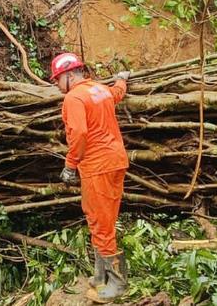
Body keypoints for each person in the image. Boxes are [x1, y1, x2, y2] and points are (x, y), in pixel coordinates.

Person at [51, 51, 129, 303]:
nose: (55, 85)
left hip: (97, 165)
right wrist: (121, 80)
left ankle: (116, 284)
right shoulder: (99, 89)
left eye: (56, 80)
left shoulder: (74, 98)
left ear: (67, 75)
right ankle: (101, 275)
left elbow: (79, 133)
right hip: (115, 161)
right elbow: (117, 93)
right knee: (103, 218)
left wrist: (70, 165)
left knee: (100, 222)